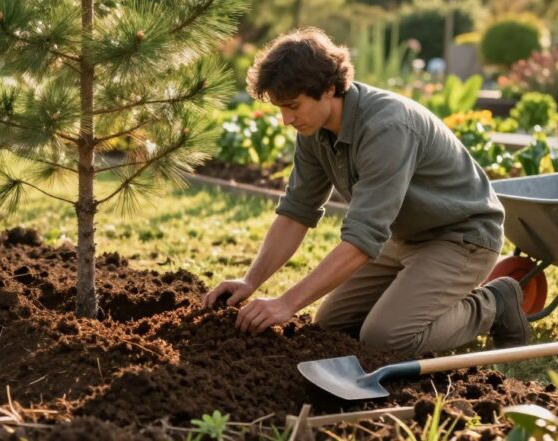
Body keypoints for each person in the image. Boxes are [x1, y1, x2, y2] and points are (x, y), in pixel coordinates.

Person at [202, 27, 529, 356]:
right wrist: (250, 281)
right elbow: (296, 212)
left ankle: (494, 303)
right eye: (280, 108)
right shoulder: (313, 131)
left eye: (293, 106)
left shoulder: (387, 128)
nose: (286, 119)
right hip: (404, 236)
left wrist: (287, 303)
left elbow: (361, 240)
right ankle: (410, 296)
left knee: (386, 339)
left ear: (329, 88)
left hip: (461, 236)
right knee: (332, 325)